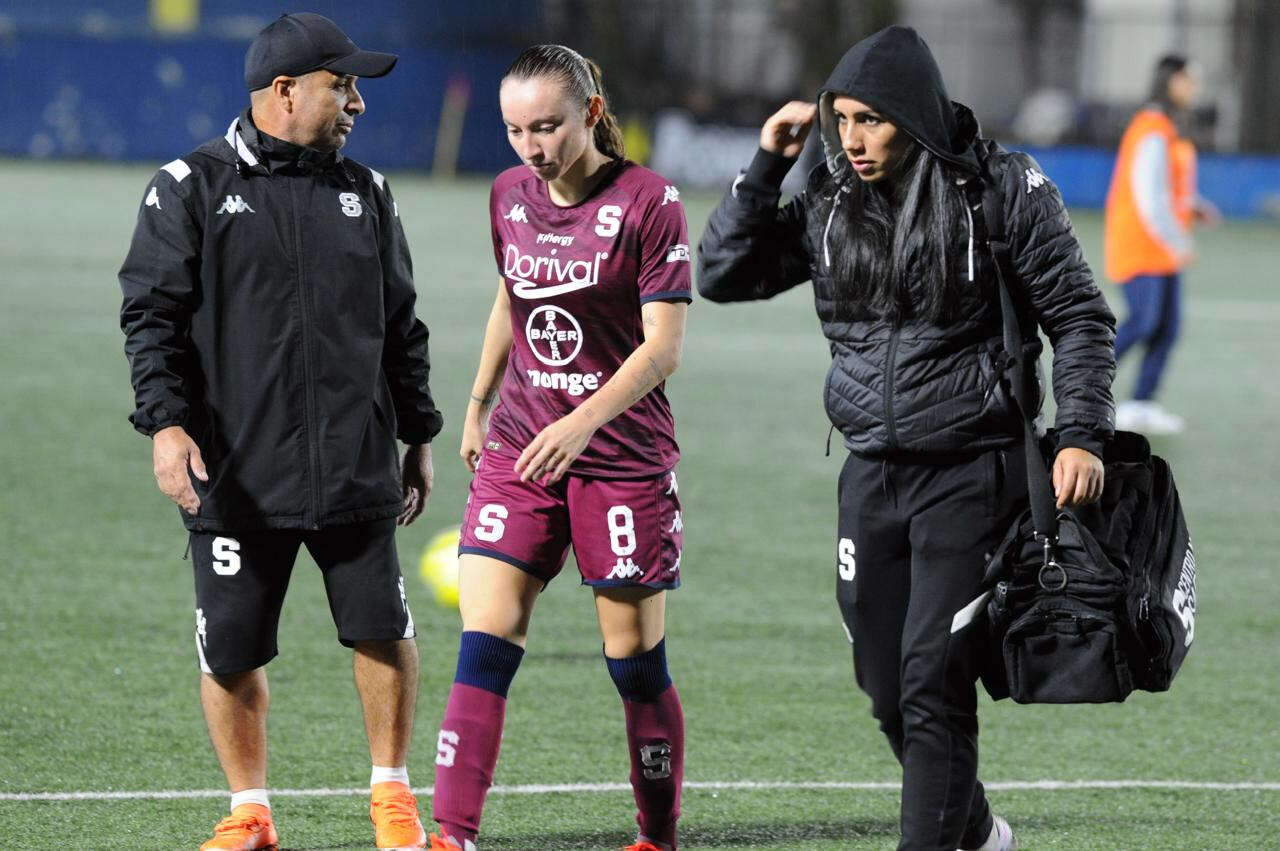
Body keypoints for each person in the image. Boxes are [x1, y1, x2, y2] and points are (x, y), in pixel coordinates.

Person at [697, 26, 1115, 851]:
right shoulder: (828, 195)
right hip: (870, 475)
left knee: (932, 681)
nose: (851, 139)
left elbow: (1080, 316)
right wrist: (766, 167)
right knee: (885, 686)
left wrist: (1081, 435)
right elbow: (721, 274)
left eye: (871, 120)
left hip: (975, 472)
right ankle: (983, 832)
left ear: (914, 119)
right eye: (840, 118)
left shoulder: (999, 189)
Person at [118, 13, 443, 851]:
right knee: (229, 648)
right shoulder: (186, 186)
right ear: (285, 91)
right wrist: (165, 426)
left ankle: (392, 798)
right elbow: (150, 317)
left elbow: (401, 322)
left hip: (354, 460)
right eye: (344, 86)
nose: (357, 105)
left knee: (383, 625)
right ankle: (251, 809)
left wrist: (418, 432)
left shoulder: (366, 193)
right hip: (234, 467)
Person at [428, 45, 690, 851]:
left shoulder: (652, 202)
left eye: (547, 127)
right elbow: (514, 295)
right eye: (515, 130)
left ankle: (656, 834)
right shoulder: (509, 194)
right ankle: (451, 835)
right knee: (486, 639)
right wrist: (476, 404)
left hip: (619, 459)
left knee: (633, 660)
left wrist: (581, 422)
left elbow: (662, 349)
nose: (531, 148)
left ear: (592, 113)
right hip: (519, 447)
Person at [1104, 54, 1218, 435]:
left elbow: (1170, 188)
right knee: (1143, 323)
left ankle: (1141, 403)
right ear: (1170, 81)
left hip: (1161, 248)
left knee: (1167, 327)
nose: (1194, 88)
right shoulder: (1150, 129)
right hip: (1142, 245)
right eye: (1189, 80)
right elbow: (1149, 197)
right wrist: (1177, 238)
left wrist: (1195, 206)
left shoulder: (1167, 128)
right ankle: (1086, 385)